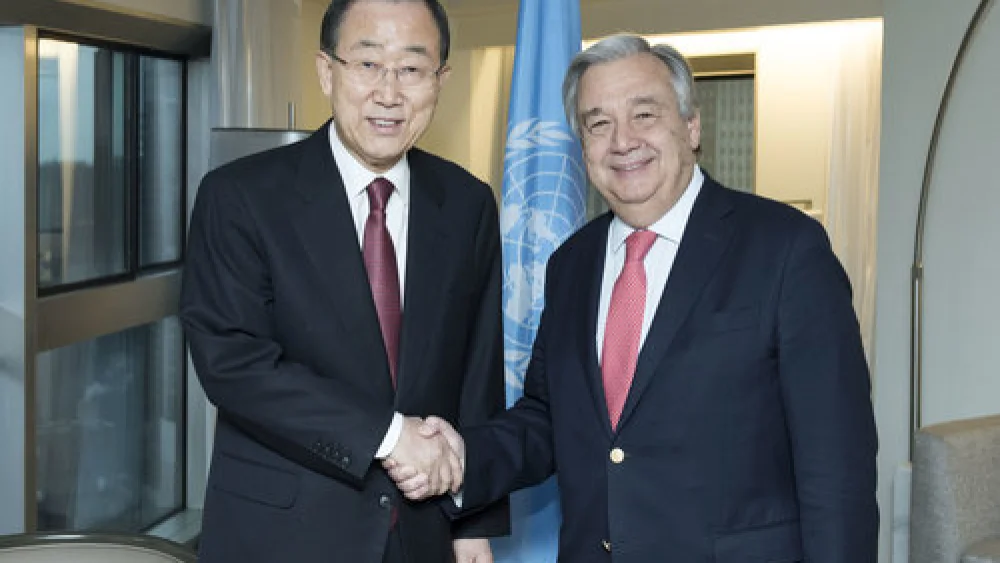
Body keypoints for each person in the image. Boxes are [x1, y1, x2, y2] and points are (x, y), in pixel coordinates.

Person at [388, 34, 879, 562]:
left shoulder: (785, 249)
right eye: (598, 123)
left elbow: (837, 470)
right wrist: (464, 454)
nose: (622, 141)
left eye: (644, 115)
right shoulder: (572, 263)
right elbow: (548, 419)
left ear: (691, 126)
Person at [180, 1, 508, 562]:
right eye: (367, 64)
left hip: (420, 533)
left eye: (411, 68)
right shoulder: (240, 196)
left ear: (440, 81)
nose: (388, 92)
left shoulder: (467, 203)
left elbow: (478, 371)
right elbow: (234, 363)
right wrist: (389, 435)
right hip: (282, 533)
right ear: (327, 71)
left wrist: (471, 519)